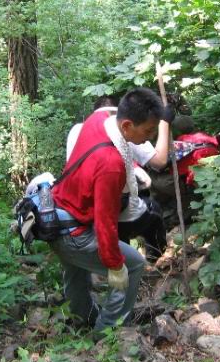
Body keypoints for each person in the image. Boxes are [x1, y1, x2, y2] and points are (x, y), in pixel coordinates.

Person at [50, 88, 166, 332]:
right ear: (126, 126)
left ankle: (84, 320)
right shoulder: (112, 164)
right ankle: (109, 332)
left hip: (57, 217)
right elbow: (105, 222)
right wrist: (115, 265)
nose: (151, 136)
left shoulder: (98, 120)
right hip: (75, 232)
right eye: (148, 131)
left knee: (76, 270)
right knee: (133, 265)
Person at [66, 95, 172, 262]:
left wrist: (133, 168)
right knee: (153, 211)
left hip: (78, 209)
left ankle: (122, 257)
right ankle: (154, 259)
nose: (150, 135)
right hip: (106, 211)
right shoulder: (124, 130)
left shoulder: (80, 129)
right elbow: (159, 161)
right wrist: (165, 122)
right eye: (148, 131)